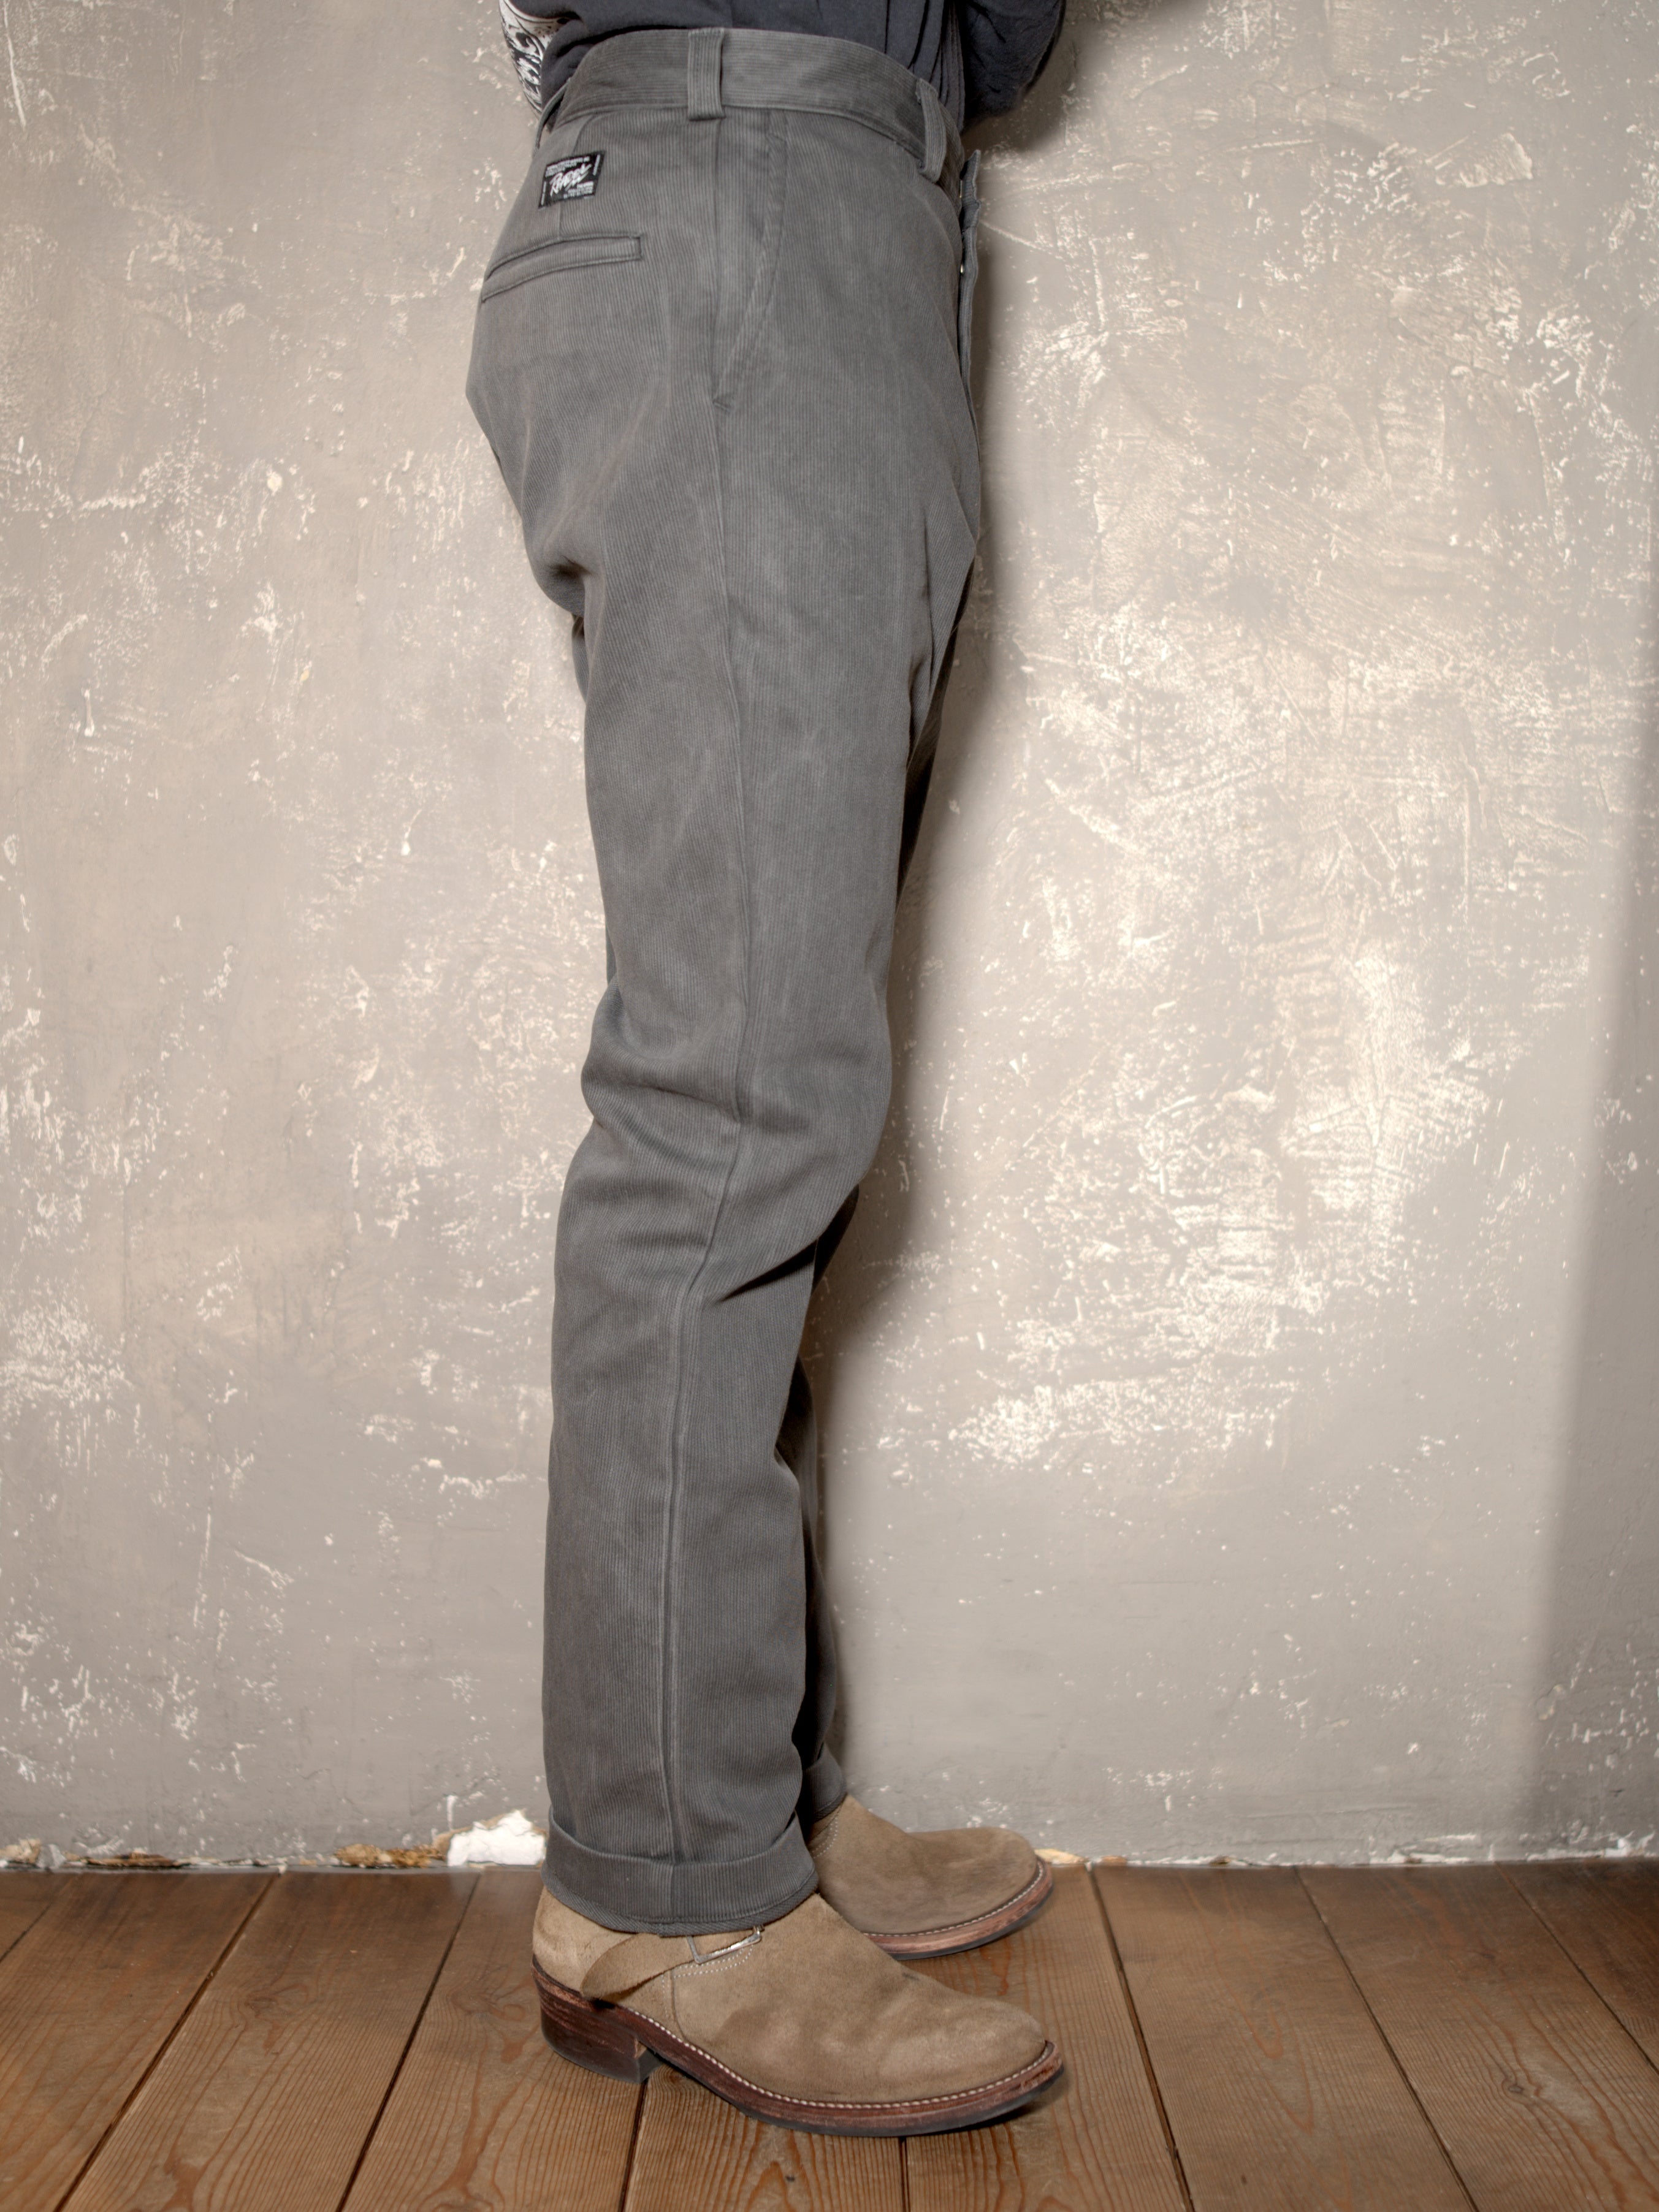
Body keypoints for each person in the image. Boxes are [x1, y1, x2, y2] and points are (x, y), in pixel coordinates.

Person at [469, 0, 1067, 2138]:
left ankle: (752, 1799)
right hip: (749, 173)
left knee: (779, 1088)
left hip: (825, 193)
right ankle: (666, 1884)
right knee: (734, 1098)